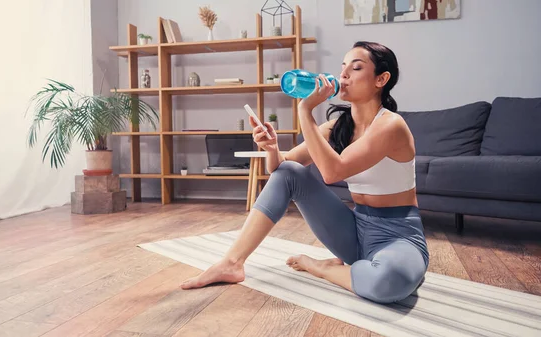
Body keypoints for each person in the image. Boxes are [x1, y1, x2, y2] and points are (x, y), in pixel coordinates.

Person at [181, 41, 429, 304]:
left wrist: (304, 109)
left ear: (382, 79)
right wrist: (272, 148)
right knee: (289, 171)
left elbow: (333, 171)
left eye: (356, 68)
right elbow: (282, 170)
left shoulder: (391, 125)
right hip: (354, 233)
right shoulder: (338, 127)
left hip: (398, 236)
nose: (343, 74)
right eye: (343, 67)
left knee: (388, 282)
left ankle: (323, 268)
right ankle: (232, 263)